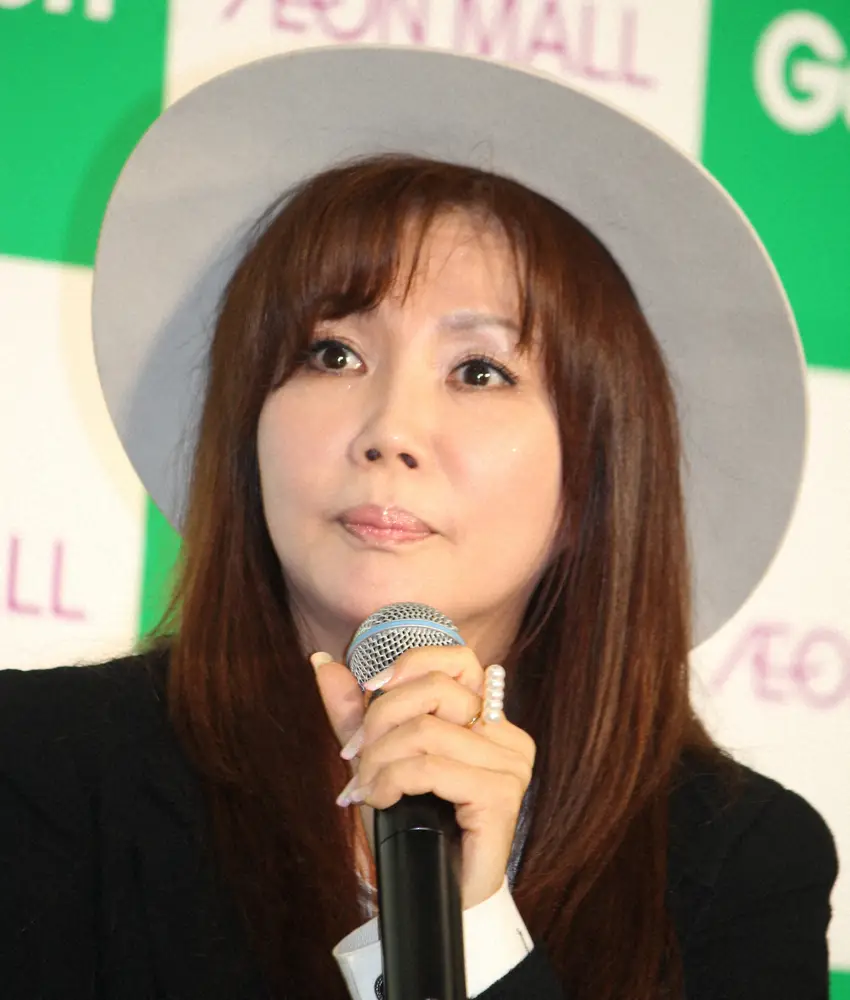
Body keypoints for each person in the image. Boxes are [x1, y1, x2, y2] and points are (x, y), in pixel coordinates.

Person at [0, 47, 838, 1000]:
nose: (390, 431)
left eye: (480, 372)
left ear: (595, 473)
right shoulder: (42, 771)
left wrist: (476, 933)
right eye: (332, 354)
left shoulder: (743, 865)